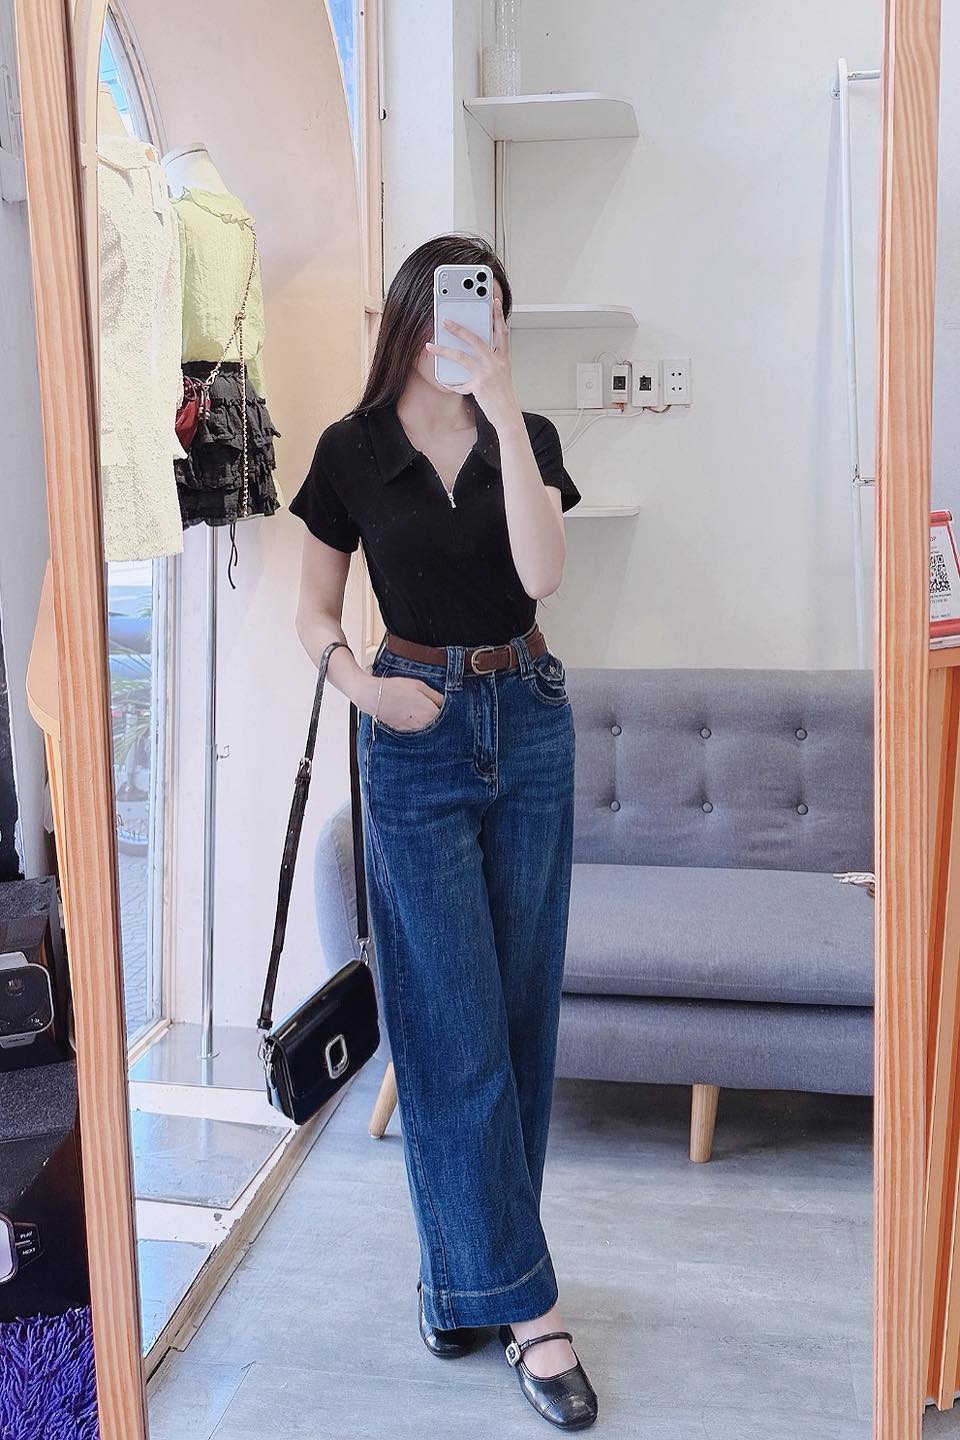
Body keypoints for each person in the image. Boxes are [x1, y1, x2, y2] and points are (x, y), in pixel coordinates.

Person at [289, 233, 597, 1431]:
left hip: (530, 719)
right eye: (445, 305)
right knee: (447, 1021)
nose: (459, 327)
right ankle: (535, 1315)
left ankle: (461, 1281)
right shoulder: (350, 450)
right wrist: (365, 691)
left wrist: (506, 410)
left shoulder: (530, 435)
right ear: (408, 315)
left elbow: (543, 573)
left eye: (484, 309)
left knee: (516, 1022)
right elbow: (314, 608)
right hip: (412, 729)